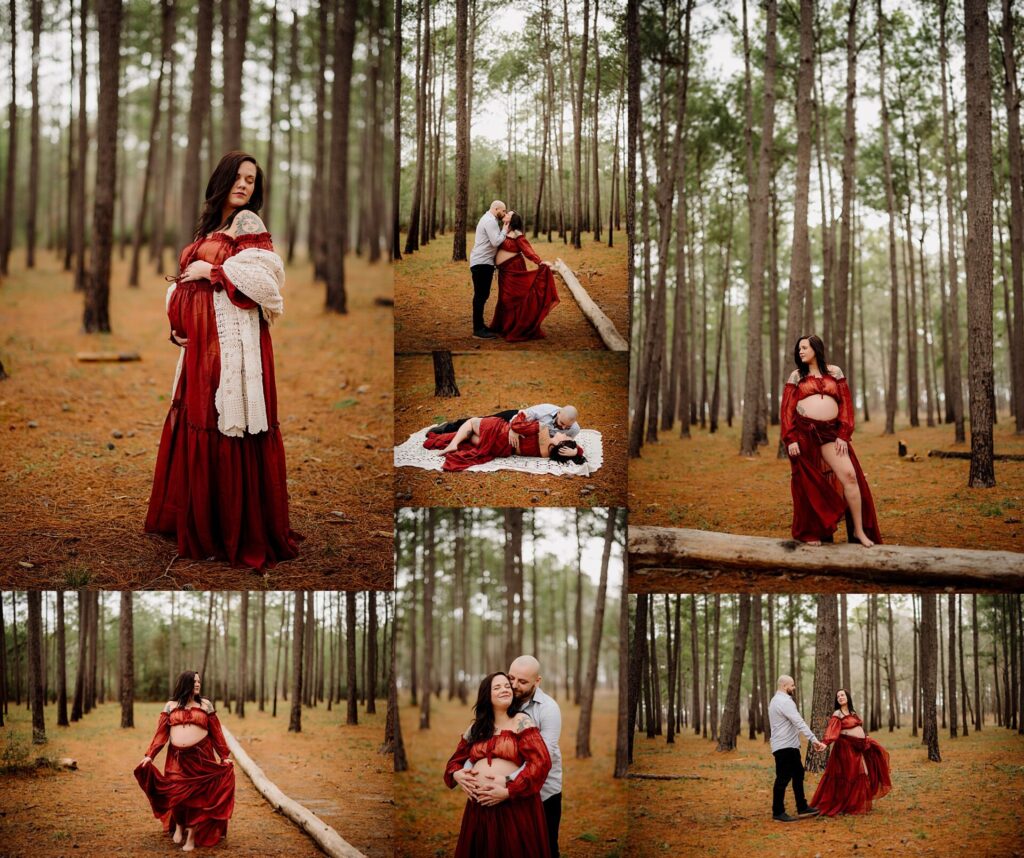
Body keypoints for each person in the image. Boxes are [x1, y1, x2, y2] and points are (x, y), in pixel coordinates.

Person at [144, 151, 301, 570]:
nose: (245, 184)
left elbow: (267, 281)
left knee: (226, 424)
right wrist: (176, 323)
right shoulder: (211, 226)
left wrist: (212, 274)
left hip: (233, 347)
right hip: (201, 346)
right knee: (200, 420)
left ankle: (229, 526)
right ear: (223, 178)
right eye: (238, 176)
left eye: (252, 179)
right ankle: (203, 519)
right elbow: (184, 280)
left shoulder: (248, 223)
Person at [780, 335, 882, 547]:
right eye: (799, 348)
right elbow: (787, 410)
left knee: (850, 477)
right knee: (809, 484)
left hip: (829, 434)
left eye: (805, 348)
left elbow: (845, 404)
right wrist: (790, 439)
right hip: (804, 434)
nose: (800, 351)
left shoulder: (835, 372)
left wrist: (843, 434)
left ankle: (859, 532)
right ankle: (812, 532)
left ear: (816, 349)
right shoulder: (797, 375)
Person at [444, 672, 552, 858]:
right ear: (487, 695)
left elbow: (541, 763)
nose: (504, 689)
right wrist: (457, 774)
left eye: (507, 686)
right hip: (480, 808)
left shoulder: (521, 721)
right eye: (497, 687)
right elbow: (455, 761)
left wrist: (509, 789)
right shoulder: (477, 728)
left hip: (513, 806)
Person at [135, 671, 235, 851]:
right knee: (177, 796)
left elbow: (217, 733)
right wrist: (150, 755)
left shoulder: (206, 705)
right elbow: (161, 734)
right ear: (184, 683)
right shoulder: (170, 705)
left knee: (198, 799)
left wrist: (225, 756)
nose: (197, 684)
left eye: (199, 682)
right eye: (194, 681)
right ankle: (179, 825)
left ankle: (191, 836)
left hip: (201, 758)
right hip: (176, 759)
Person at [809, 689, 892, 816]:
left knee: (863, 772)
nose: (840, 697)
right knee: (850, 775)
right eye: (838, 696)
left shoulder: (852, 712)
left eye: (842, 695)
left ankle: (855, 803)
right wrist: (825, 743)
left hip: (857, 747)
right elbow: (832, 730)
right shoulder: (838, 713)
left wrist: (865, 738)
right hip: (845, 748)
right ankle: (845, 804)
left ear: (847, 697)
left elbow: (858, 728)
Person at [423, 411, 586, 471]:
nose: (565, 434)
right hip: (500, 450)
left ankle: (453, 444)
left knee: (472, 422)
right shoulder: (546, 454)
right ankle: (451, 440)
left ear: (560, 445)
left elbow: (516, 423)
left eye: (565, 437)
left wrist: (522, 413)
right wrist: (574, 452)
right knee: (473, 439)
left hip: (499, 431)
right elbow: (578, 452)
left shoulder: (542, 429)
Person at [489, 212, 560, 342]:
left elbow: (527, 250)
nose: (506, 213)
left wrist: (539, 261)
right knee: (503, 298)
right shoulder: (503, 231)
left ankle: (517, 327)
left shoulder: (517, 233)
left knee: (512, 298)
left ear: (513, 219)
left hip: (514, 269)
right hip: (504, 271)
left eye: (508, 213)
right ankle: (504, 325)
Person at [768, 675, 825, 822]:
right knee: (783, 778)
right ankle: (778, 812)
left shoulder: (775, 700)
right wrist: (814, 740)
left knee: (798, 773)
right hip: (785, 746)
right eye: (792, 685)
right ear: (785, 686)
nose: (794, 688)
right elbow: (799, 722)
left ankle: (802, 806)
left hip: (787, 745)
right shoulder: (784, 702)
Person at [428, 404, 581, 450]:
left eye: (566, 427)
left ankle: (457, 438)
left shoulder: (573, 429)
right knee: (481, 421)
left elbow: (564, 443)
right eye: (561, 424)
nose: (562, 428)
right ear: (559, 413)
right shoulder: (544, 410)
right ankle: (448, 428)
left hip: (527, 435)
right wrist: (514, 429)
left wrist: (573, 451)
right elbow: (519, 417)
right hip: (515, 419)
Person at [469, 200, 513, 338]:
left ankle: (480, 326)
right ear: (496, 209)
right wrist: (505, 230)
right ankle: (478, 329)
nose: (504, 213)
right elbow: (495, 242)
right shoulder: (490, 221)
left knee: (482, 295)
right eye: (503, 211)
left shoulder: (489, 219)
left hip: (483, 262)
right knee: (480, 296)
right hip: (482, 263)